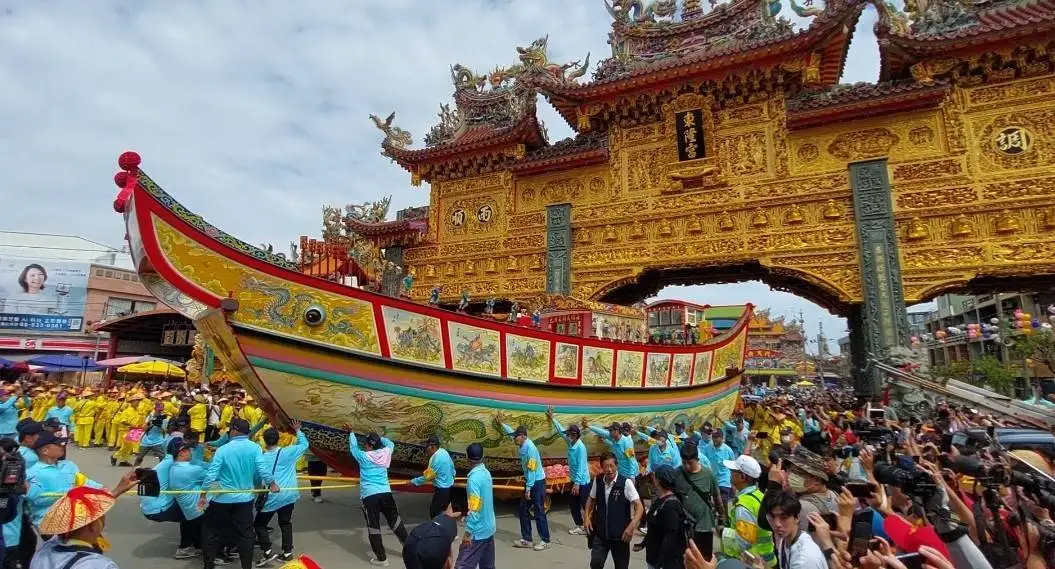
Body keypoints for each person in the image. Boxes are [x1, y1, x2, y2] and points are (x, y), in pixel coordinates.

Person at [198, 418, 265, 569]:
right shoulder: (255, 448)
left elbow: (211, 475)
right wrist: (266, 483)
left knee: (210, 530)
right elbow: (259, 470)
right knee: (246, 533)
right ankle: (246, 566)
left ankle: (209, 565)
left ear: (234, 430)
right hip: (245, 498)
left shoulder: (223, 450)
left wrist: (203, 494)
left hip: (223, 498)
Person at [29, 481, 138, 569]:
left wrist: (117, 491)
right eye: (101, 517)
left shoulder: (45, 549)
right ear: (92, 526)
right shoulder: (100, 565)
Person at [26, 431, 108, 530]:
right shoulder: (32, 471)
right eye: (58, 444)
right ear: (45, 451)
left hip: (75, 516)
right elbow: (37, 499)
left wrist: (101, 489)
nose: (62, 446)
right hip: (48, 521)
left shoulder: (68, 465)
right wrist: (68, 493)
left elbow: (83, 481)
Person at [348, 430, 408, 566]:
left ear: (370, 446)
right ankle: (409, 547)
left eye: (366, 444)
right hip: (386, 494)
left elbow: (353, 448)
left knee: (373, 527)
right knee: (396, 522)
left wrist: (351, 433)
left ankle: (382, 559)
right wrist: (380, 438)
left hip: (370, 496)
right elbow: (390, 443)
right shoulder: (386, 452)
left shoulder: (363, 456)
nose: (364, 446)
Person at [254, 422, 310, 565]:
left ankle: (267, 552)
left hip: (272, 496)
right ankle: (287, 553)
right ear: (278, 439)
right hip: (289, 495)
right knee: (285, 523)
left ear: (264, 441)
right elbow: (304, 444)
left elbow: (258, 478)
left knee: (260, 525)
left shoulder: (261, 457)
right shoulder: (287, 452)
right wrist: (298, 430)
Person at [584, 452, 644, 569]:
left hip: (621, 536)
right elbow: (591, 499)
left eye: (612, 466)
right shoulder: (598, 480)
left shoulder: (625, 483)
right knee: (596, 563)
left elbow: (639, 507)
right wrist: (586, 517)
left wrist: (631, 528)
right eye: (606, 466)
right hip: (600, 534)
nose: (609, 469)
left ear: (617, 466)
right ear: (602, 467)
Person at [499, 421, 549, 550]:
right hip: (530, 481)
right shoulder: (522, 443)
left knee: (538, 511)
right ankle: (527, 539)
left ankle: (545, 540)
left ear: (523, 436)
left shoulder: (530, 449)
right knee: (523, 510)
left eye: (516, 436)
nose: (514, 439)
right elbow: (511, 433)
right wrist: (502, 423)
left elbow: (532, 469)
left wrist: (528, 488)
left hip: (536, 482)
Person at [720, 455, 775, 567]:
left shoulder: (744, 506)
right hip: (766, 560)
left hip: (753, 562)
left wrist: (723, 532)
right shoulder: (759, 495)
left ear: (743, 477)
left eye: (733, 471)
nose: (730, 473)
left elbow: (743, 541)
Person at [674, 441, 722, 560]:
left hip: (704, 526)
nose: (687, 466)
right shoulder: (677, 473)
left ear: (697, 459)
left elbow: (717, 497)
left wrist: (721, 518)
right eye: (684, 463)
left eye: (690, 463)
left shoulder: (708, 474)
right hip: (684, 527)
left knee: (704, 559)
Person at [547, 407, 590, 535]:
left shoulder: (580, 448)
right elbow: (561, 431)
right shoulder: (571, 442)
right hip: (574, 479)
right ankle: (580, 525)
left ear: (575, 435)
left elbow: (582, 467)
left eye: (570, 434)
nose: (568, 436)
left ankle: (591, 526)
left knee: (585, 504)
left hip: (582, 481)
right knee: (573, 504)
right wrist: (552, 418)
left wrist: (577, 484)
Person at [760, 491, 826, 569]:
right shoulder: (785, 539)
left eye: (784, 517)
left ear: (797, 518)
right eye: (772, 516)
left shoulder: (804, 560)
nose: (777, 524)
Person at [638, 466, 688, 569]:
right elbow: (653, 529)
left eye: (654, 476)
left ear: (658, 481)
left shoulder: (671, 506)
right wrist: (643, 544)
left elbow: (671, 537)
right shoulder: (659, 501)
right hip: (654, 559)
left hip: (665, 563)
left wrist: (661, 563)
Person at [455, 443, 495, 569]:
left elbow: (475, 508)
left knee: (462, 565)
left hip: (478, 532)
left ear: (467, 459)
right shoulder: (486, 473)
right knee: (488, 566)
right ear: (483, 457)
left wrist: (468, 533)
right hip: (489, 528)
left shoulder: (473, 480)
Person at [168, 438, 208, 560]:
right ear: (181, 453)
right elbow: (213, 473)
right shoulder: (190, 470)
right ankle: (217, 555)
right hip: (198, 510)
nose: (191, 451)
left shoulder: (175, 467)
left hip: (190, 509)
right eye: (189, 450)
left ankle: (192, 546)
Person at [411, 435, 456, 519]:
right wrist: (452, 477)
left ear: (432, 447)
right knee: (442, 511)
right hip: (449, 488)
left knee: (434, 513)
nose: (426, 449)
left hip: (442, 490)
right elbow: (452, 468)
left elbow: (427, 477)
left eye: (427, 447)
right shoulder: (444, 452)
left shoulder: (436, 459)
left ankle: (438, 529)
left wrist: (414, 482)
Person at [701, 430, 736, 503]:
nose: (714, 439)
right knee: (715, 504)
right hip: (712, 481)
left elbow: (733, 468)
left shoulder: (728, 450)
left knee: (723, 503)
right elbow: (703, 460)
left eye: (716, 437)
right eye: (713, 437)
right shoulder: (708, 447)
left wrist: (733, 484)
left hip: (724, 481)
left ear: (722, 438)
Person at [135, 401, 169, 466]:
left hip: (158, 441)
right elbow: (144, 429)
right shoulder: (149, 417)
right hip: (146, 441)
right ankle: (134, 470)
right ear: (155, 408)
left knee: (162, 457)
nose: (160, 411)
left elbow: (165, 430)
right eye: (159, 409)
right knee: (139, 457)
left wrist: (160, 426)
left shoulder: (164, 418)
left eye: (162, 409)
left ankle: (160, 470)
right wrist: (150, 423)